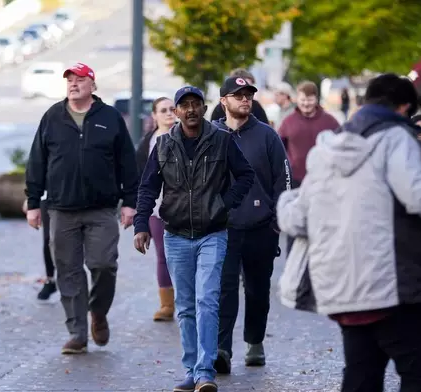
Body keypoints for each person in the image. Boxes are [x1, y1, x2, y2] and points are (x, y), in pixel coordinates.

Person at [277, 73, 421, 392]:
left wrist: (289, 198)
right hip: (397, 289)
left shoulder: (328, 149)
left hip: (347, 293)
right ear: (404, 108)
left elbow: (296, 219)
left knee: (362, 377)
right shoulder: (396, 139)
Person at [134, 86, 255, 392]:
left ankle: (205, 372)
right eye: (184, 105)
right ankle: (191, 369)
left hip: (212, 233)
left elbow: (245, 175)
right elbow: (147, 188)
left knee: (207, 300)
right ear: (175, 112)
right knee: (186, 306)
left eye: (195, 104)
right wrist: (141, 224)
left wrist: (224, 204)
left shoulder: (222, 140)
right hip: (175, 234)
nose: (190, 109)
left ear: (203, 109)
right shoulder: (163, 145)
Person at [24, 62, 139, 354]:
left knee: (103, 265)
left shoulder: (110, 118)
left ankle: (97, 312)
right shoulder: (52, 116)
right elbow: (37, 161)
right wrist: (33, 203)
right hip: (61, 209)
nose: (73, 84)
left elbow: (127, 162)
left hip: (101, 209)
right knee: (68, 271)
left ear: (93, 85)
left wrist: (130, 203)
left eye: (80, 79)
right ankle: (77, 332)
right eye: (70, 80)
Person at [211, 77, 289, 373]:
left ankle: (255, 342)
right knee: (224, 290)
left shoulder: (268, 136)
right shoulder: (212, 134)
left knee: (257, 291)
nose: (245, 99)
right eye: (238, 95)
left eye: (249, 95)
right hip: (222, 228)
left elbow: (283, 179)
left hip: (260, 227)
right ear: (223, 102)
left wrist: (277, 218)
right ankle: (222, 349)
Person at [278, 81, 340, 254]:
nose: (306, 104)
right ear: (297, 99)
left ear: (316, 99)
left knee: (323, 226)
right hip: (296, 181)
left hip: (324, 182)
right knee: (295, 225)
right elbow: (278, 149)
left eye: (310, 100)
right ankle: (293, 264)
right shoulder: (288, 122)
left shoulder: (330, 122)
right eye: (303, 100)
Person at [135, 96, 177, 322]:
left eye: (172, 109)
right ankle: (167, 304)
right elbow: (141, 179)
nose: (169, 113)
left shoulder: (190, 136)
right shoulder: (148, 143)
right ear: (155, 115)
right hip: (157, 209)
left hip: (186, 208)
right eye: (164, 110)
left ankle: (191, 299)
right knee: (163, 256)